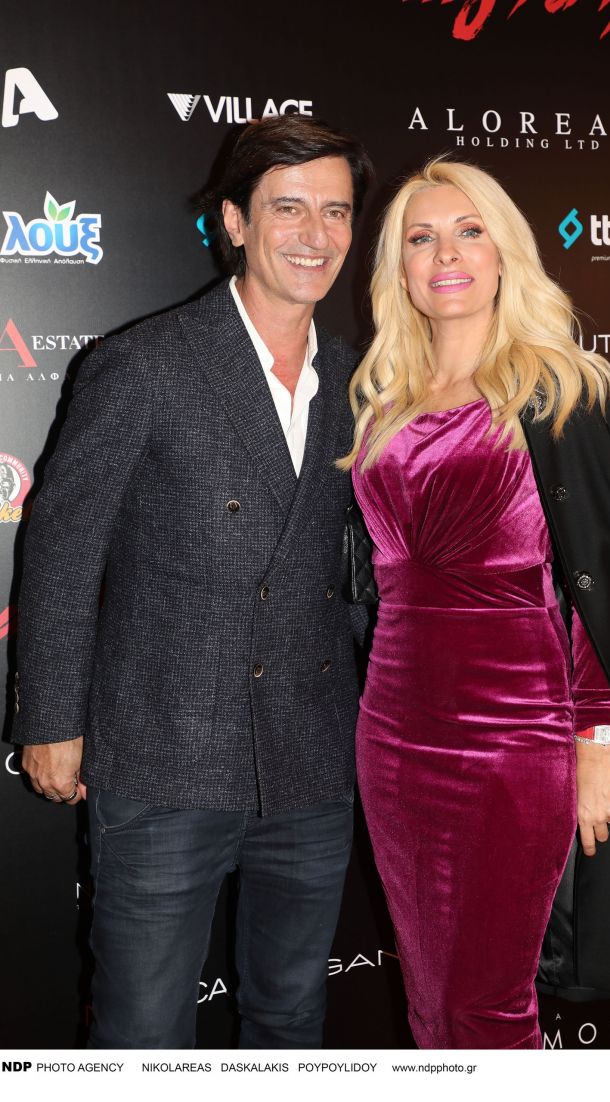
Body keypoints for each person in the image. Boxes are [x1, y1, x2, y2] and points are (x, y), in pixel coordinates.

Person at [14, 115, 373, 1049]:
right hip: (163, 758)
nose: (316, 234)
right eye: (288, 208)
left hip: (312, 759)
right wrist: (50, 720)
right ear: (235, 222)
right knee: (143, 1034)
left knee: (291, 1017)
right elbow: (62, 548)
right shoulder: (144, 363)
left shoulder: (359, 381)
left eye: (336, 211)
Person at [340, 158, 610, 1049]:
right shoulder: (379, 403)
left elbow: (607, 587)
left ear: (505, 253)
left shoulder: (571, 394)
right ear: (398, 269)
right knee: (429, 1004)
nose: (446, 255)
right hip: (392, 734)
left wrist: (597, 739)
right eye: (421, 238)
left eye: (470, 232)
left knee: (491, 1005)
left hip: (516, 736)